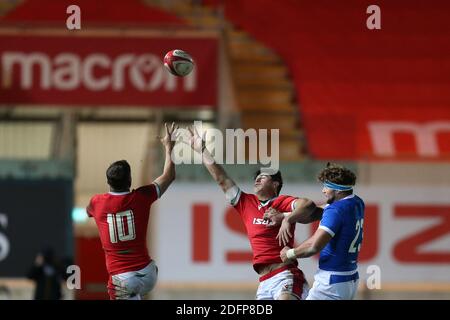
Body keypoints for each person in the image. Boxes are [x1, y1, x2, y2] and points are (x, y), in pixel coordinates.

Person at [186, 126, 321, 300]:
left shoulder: (281, 202)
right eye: (256, 177)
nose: (257, 178)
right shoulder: (246, 202)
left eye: (263, 177)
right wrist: (202, 150)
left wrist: (286, 218)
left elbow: (308, 205)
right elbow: (222, 180)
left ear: (275, 185)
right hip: (264, 282)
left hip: (285, 274)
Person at [86, 123, 177, 300]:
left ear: (108, 182)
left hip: (122, 279)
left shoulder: (97, 202)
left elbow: (88, 212)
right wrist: (169, 147)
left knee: (120, 287)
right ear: (130, 180)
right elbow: (168, 176)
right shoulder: (142, 197)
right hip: (149, 274)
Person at [279, 163, 364, 300]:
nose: (323, 190)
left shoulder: (335, 210)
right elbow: (316, 213)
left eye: (327, 186)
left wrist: (289, 253)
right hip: (350, 278)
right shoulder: (356, 202)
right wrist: (285, 216)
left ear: (338, 191)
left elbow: (313, 246)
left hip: (331, 282)